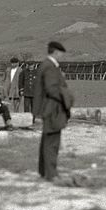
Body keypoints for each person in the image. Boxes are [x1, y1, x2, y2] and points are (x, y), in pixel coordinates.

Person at [33, 41, 74, 181]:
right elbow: (52, 89)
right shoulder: (50, 67)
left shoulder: (46, 65)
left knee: (47, 139)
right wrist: (67, 97)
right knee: (52, 142)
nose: (61, 56)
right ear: (56, 52)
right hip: (53, 108)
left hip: (48, 108)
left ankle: (44, 171)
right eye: (61, 54)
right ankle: (51, 174)